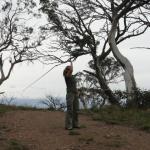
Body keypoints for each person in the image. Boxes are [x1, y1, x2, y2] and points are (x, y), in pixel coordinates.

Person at [63, 61, 79, 130]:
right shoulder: (67, 76)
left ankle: (75, 124)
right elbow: (71, 69)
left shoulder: (72, 76)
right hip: (70, 94)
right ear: (67, 70)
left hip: (75, 94)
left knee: (76, 110)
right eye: (69, 68)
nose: (71, 69)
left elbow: (74, 85)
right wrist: (71, 63)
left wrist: (71, 62)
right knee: (70, 110)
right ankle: (68, 126)